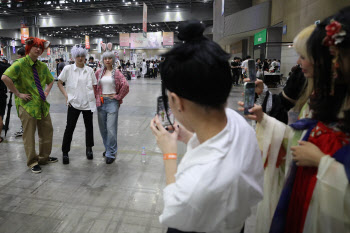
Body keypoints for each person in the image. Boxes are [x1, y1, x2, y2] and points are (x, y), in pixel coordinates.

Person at [149, 20, 263, 233]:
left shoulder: (199, 183)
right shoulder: (239, 123)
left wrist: (169, 154)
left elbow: (175, 210)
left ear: (177, 101)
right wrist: (189, 135)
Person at [240, 11, 350, 232]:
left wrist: (322, 162)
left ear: (333, 58)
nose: (299, 63)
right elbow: (298, 140)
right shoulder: (319, 102)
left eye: (304, 56)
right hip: (305, 199)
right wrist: (264, 119)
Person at [1, 37, 57, 173]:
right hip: (27, 105)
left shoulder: (42, 66)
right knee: (29, 134)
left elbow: (51, 80)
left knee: (47, 131)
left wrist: (47, 91)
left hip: (42, 105)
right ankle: (32, 161)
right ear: (28, 48)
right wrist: (18, 93)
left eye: (40, 48)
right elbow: (5, 77)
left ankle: (44, 157)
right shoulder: (20, 64)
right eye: (35, 47)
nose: (38, 49)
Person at [57, 46, 97, 165]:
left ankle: (89, 149)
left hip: (88, 104)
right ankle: (65, 152)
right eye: (78, 56)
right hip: (73, 103)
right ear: (74, 57)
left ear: (85, 57)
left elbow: (94, 85)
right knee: (69, 128)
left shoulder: (89, 70)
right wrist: (66, 95)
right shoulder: (68, 69)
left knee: (89, 127)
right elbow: (59, 82)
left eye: (82, 56)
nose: (80, 58)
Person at [94, 51, 129, 164]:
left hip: (112, 102)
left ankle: (111, 153)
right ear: (103, 60)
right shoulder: (98, 73)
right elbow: (94, 86)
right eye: (105, 58)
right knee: (103, 129)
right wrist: (96, 98)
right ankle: (108, 148)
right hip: (101, 102)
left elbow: (126, 85)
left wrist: (118, 96)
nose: (107, 60)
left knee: (111, 129)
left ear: (113, 60)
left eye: (109, 58)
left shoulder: (117, 73)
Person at [13, 47, 26, 137]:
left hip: (23, 94)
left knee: (24, 112)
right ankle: (24, 127)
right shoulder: (18, 65)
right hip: (20, 93)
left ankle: (24, 128)